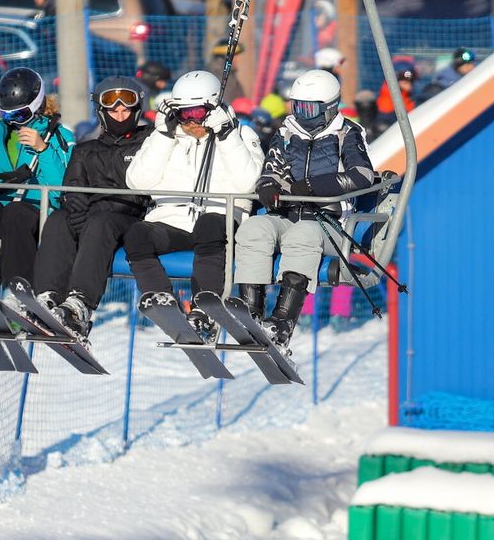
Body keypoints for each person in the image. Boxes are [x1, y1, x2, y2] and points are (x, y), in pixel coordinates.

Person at [234, 70, 375, 348]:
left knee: (304, 235)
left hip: (330, 224)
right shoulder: (285, 133)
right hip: (288, 216)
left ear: (329, 108)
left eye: (309, 109)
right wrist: (267, 187)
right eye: (297, 106)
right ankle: (250, 312)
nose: (301, 114)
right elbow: (271, 170)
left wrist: (312, 186)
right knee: (254, 228)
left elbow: (361, 175)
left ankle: (282, 322)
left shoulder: (347, 132)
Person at [123, 70, 264, 338]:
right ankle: (162, 299)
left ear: (214, 108)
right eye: (183, 113)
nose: (190, 121)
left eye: (198, 112)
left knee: (209, 223)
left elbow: (249, 183)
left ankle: (204, 308)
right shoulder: (168, 137)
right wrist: (163, 134)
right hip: (173, 221)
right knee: (136, 234)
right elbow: (137, 181)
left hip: (220, 221)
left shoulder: (241, 135)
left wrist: (225, 135)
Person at [31, 77, 152, 339]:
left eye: (126, 109)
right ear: (101, 111)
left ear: (137, 109)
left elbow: (143, 191)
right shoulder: (86, 150)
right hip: (93, 219)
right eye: (113, 109)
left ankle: (79, 306)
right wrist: (73, 204)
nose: (120, 114)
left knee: (102, 221)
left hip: (130, 219)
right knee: (59, 219)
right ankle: (48, 296)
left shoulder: (150, 144)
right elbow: (72, 188)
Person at [0, 67, 73, 289]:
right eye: (7, 115)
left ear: (38, 107)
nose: (15, 122)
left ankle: (18, 287)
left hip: (35, 208)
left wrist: (43, 149)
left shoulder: (59, 136)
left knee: (15, 214)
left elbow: (62, 187)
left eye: (20, 115)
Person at [205, 37, 246, 102]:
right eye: (235, 55)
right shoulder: (220, 80)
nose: (238, 59)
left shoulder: (230, 77)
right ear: (223, 58)